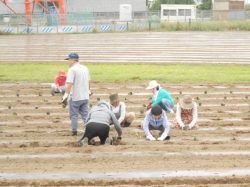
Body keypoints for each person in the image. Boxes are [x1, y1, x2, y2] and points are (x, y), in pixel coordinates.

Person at [62, 53, 91, 136]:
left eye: (69, 60)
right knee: (85, 115)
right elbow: (89, 81)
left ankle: (74, 131)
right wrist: (88, 91)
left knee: (74, 115)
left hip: (75, 97)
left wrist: (66, 94)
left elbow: (70, 83)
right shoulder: (85, 68)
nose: (68, 62)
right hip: (85, 96)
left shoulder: (72, 70)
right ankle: (89, 130)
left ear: (73, 60)